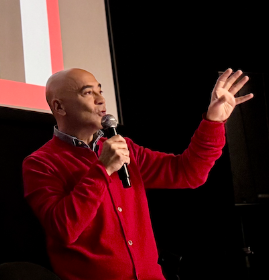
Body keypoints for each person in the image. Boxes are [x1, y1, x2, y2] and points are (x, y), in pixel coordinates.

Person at [22, 68, 253, 280]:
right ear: (60, 107)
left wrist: (214, 121)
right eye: (88, 93)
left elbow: (188, 172)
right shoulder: (40, 164)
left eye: (100, 91)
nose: (101, 99)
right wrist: (102, 170)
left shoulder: (124, 147)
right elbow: (64, 229)